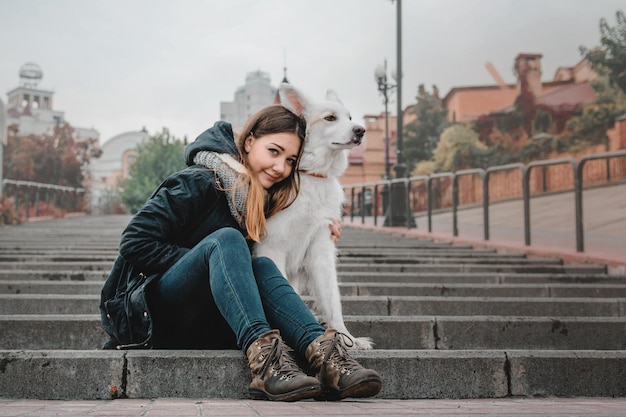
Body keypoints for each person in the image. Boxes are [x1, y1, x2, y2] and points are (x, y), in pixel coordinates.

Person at [99, 103, 382, 402]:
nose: (280, 167)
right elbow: (134, 241)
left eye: (290, 160)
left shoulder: (256, 200)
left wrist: (321, 233)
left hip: (206, 320)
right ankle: (267, 366)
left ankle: (327, 359)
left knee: (258, 264)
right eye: (274, 152)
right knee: (227, 241)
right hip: (152, 314)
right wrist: (208, 261)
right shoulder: (198, 181)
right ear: (249, 142)